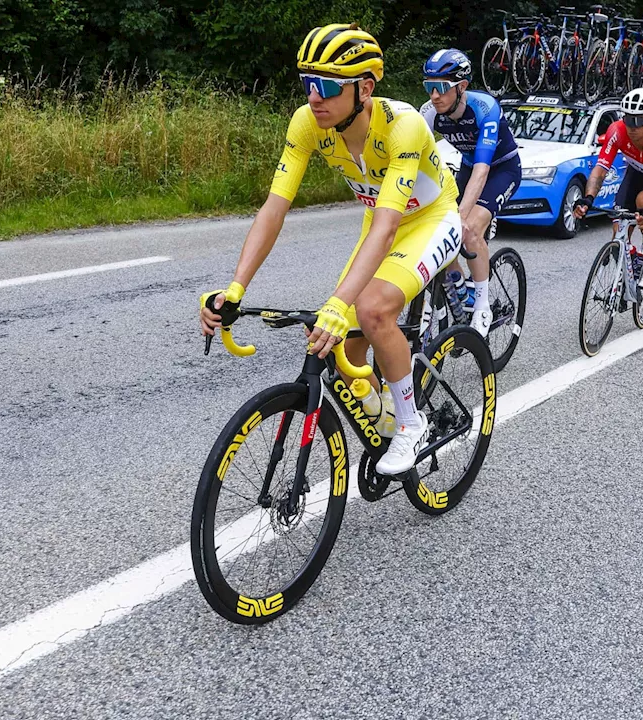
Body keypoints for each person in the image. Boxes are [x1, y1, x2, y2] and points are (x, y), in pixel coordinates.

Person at [199, 24, 461, 475]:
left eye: (324, 87)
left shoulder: (404, 127)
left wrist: (342, 303)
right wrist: (235, 288)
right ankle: (383, 410)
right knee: (338, 351)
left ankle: (411, 423)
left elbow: (388, 224)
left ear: (365, 88)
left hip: (431, 219)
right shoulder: (307, 123)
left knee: (372, 308)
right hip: (379, 222)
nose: (313, 98)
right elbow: (274, 208)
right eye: (306, 85)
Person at [420, 48, 521, 338]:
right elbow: (412, 160)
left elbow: (482, 170)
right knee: (437, 235)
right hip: (466, 167)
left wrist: (461, 216)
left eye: (440, 87)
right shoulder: (428, 113)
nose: (434, 96)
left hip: (501, 170)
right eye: (429, 87)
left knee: (468, 230)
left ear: (461, 87)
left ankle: (482, 307)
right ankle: (460, 289)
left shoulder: (485, 108)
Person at [572, 88, 643, 290]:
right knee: (619, 229)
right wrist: (587, 198)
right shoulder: (617, 131)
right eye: (627, 119)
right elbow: (600, 169)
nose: (631, 127)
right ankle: (629, 269)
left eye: (638, 121)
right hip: (636, 171)